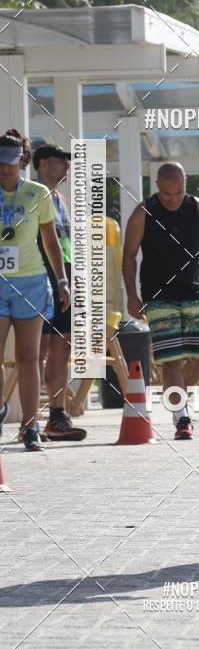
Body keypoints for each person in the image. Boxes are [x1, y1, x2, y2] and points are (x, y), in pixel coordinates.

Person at [122, 162, 199, 439]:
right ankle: (182, 418)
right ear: (157, 187)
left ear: (185, 185)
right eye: (167, 195)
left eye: (179, 193)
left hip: (191, 291)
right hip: (158, 295)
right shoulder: (144, 212)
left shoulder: (196, 206)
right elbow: (129, 255)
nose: (174, 199)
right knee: (171, 361)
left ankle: (177, 400)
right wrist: (132, 294)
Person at [0, 133, 70, 451]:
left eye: (11, 163)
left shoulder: (38, 193)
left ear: (23, 162)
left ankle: (30, 426)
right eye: (0, 162)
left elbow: (51, 241)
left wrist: (62, 281)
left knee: (28, 357)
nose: (5, 169)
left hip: (30, 282)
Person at [33, 144, 86, 440]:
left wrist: (70, 277)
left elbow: (64, 243)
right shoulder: (31, 194)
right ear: (42, 164)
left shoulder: (60, 198)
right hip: (38, 276)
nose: (67, 166)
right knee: (36, 350)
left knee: (62, 346)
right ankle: (30, 421)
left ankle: (57, 415)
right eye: (60, 161)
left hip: (62, 278)